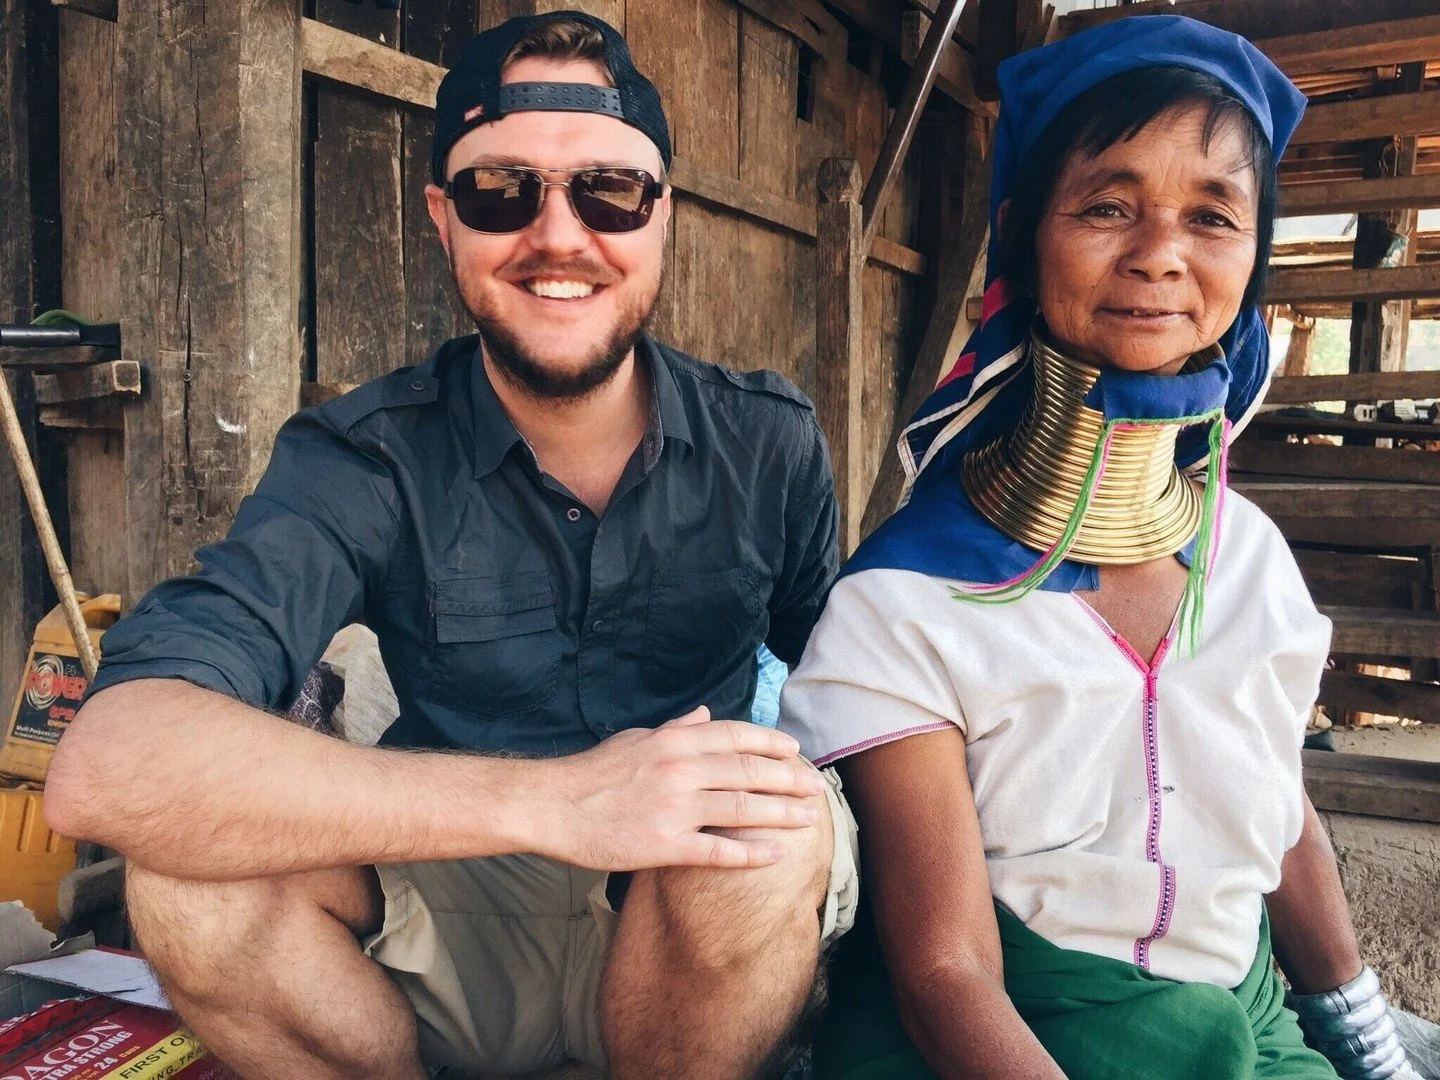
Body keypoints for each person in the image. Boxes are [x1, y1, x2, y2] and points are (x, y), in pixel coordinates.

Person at [43, 11, 860, 1080]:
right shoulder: (364, 457)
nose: (559, 236)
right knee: (186, 878)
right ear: (442, 217)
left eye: (609, 190)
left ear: (664, 215)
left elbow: (840, 706)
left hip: (680, 925)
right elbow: (110, 766)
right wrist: (560, 802)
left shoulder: (770, 441)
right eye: (501, 191)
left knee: (768, 825)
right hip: (458, 912)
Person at [780, 16, 1417, 1080]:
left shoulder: (1249, 562)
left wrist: (1366, 1040)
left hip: (1239, 1015)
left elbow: (1274, 802)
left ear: (1255, 255)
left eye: (1213, 215)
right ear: (1028, 238)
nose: (1160, 253)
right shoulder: (906, 601)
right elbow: (946, 973)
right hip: (1006, 1030)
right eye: (1108, 206)